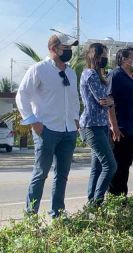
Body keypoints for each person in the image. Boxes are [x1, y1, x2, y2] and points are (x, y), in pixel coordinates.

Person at [15, 33, 80, 218]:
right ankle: (31, 218)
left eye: (70, 48)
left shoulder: (70, 72)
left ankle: (57, 214)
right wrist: (33, 122)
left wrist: (75, 120)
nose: (69, 51)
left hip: (68, 131)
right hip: (47, 130)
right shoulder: (39, 69)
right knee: (41, 173)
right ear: (53, 49)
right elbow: (22, 95)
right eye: (65, 47)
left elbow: (74, 98)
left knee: (62, 175)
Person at [79, 43, 117, 205]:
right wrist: (111, 100)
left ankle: (91, 204)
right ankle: (97, 202)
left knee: (98, 167)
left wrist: (110, 100)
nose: (105, 59)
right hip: (91, 125)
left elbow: (108, 100)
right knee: (110, 165)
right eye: (102, 56)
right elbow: (103, 100)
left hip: (101, 125)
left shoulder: (99, 75)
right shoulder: (90, 75)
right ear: (94, 57)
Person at [107, 47, 133, 196]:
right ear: (124, 59)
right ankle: (114, 198)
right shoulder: (115, 75)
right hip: (119, 130)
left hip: (132, 129)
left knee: (126, 165)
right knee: (117, 166)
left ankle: (122, 197)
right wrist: (114, 126)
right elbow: (109, 101)